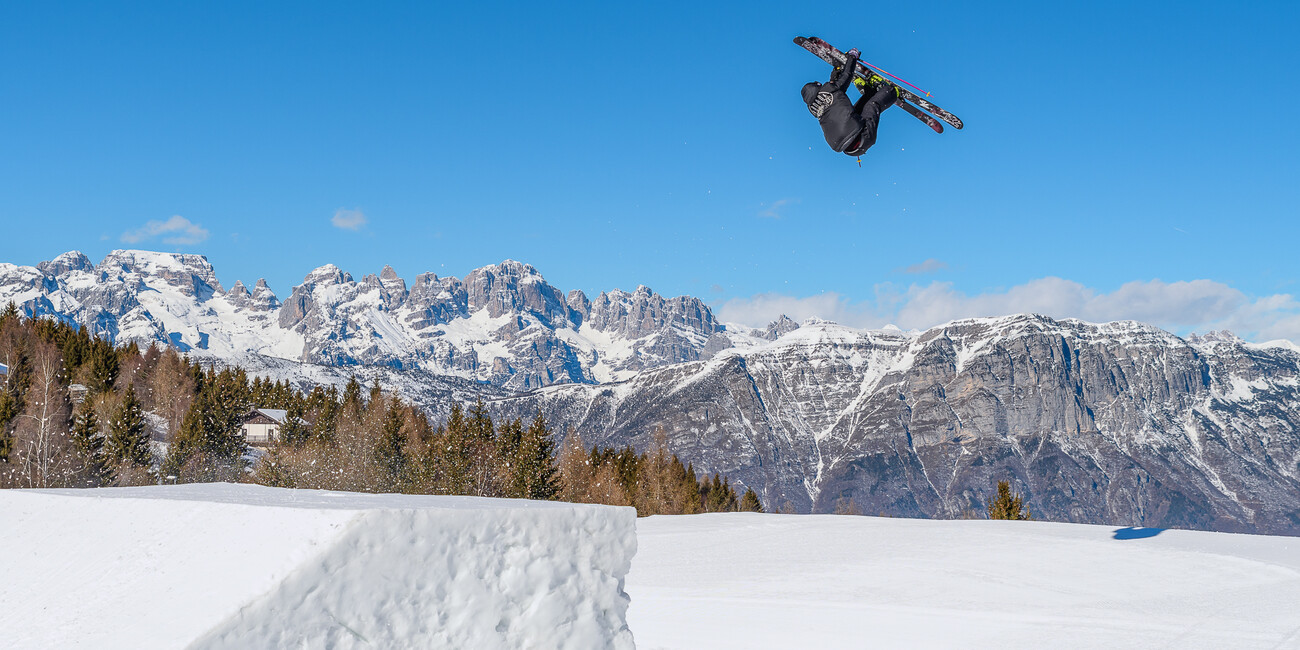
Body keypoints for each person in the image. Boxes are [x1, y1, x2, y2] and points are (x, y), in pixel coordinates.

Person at [801, 48, 896, 158]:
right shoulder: (829, 91)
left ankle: (871, 92)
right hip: (863, 137)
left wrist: (836, 70)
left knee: (854, 112)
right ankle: (892, 92)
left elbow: (834, 88)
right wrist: (852, 57)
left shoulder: (815, 107)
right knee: (872, 105)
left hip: (850, 149)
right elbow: (847, 75)